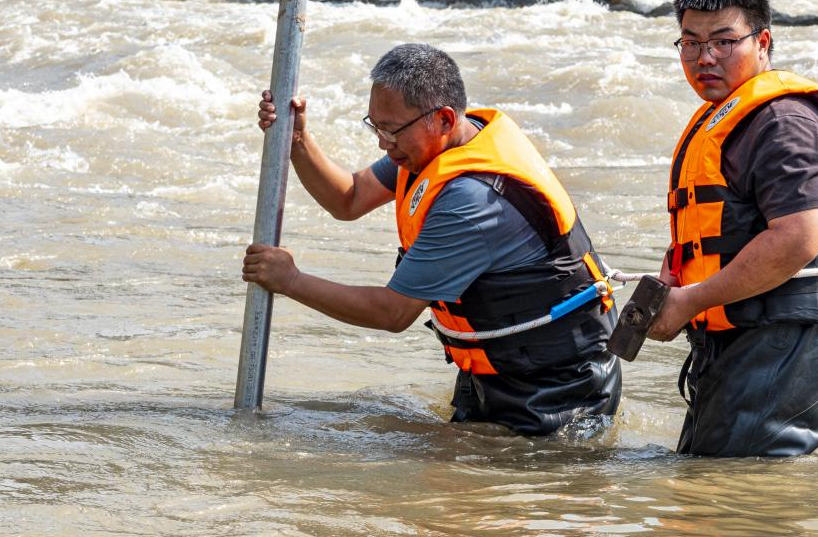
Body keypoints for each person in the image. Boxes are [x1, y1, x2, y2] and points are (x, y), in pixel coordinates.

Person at [242, 44, 621, 436]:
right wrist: (298, 140)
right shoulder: (435, 146)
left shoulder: (471, 200)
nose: (381, 143)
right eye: (375, 127)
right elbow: (349, 198)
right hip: (503, 369)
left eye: (390, 130)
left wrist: (291, 281)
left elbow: (394, 312)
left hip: (559, 388)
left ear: (442, 118)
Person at [646, 0, 818, 457]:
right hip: (748, 341)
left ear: (762, 41)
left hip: (794, 345)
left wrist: (690, 301)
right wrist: (678, 279)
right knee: (709, 497)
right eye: (690, 43)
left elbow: (797, 239)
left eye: (724, 41)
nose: (705, 58)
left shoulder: (785, 121)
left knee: (721, 504)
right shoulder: (724, 116)